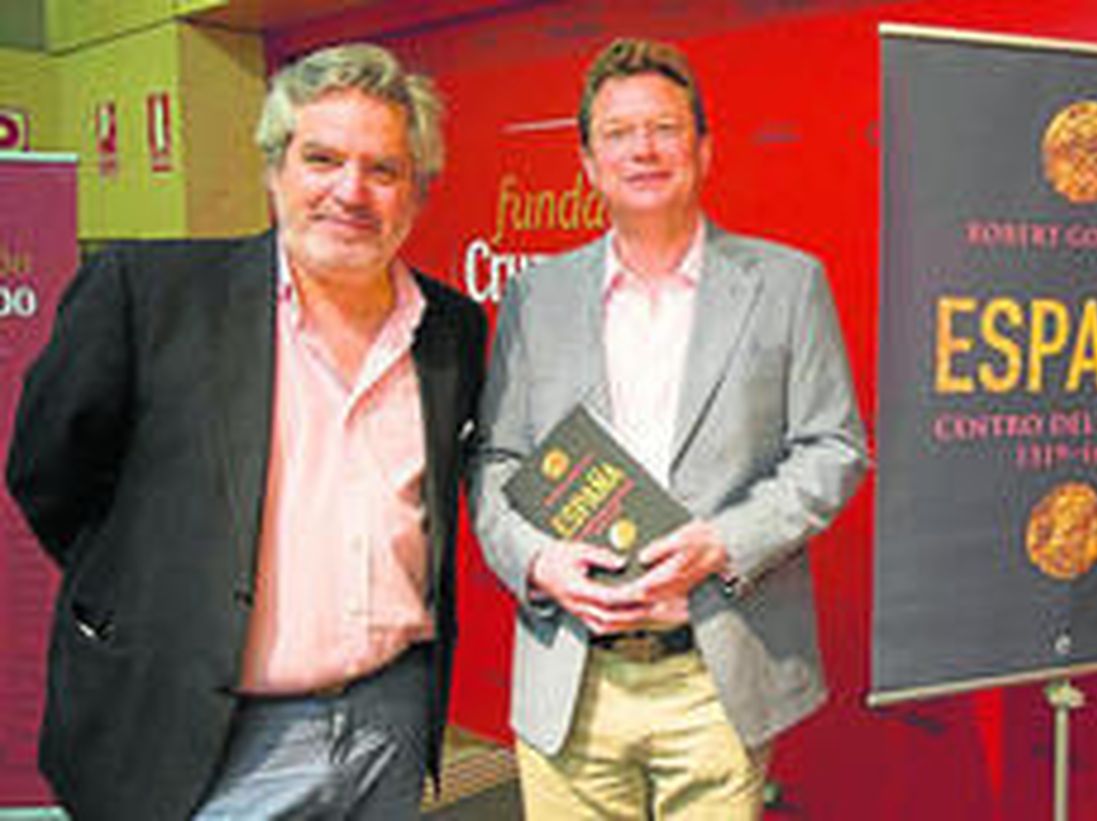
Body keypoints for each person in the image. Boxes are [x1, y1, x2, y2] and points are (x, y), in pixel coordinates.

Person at [5, 43, 485, 820]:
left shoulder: (451, 328)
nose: (350, 192)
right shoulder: (149, 295)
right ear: (275, 171)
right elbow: (49, 475)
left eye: (383, 169)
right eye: (322, 158)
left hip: (388, 721)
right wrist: (162, 596)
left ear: (417, 194)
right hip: (208, 733)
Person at [471, 37, 867, 819]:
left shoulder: (787, 284)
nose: (643, 149)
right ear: (588, 162)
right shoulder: (535, 296)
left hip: (715, 676)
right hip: (570, 676)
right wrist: (540, 562)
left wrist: (726, 541)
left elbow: (834, 448)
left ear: (704, 149)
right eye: (618, 133)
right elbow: (495, 461)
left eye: (664, 128)